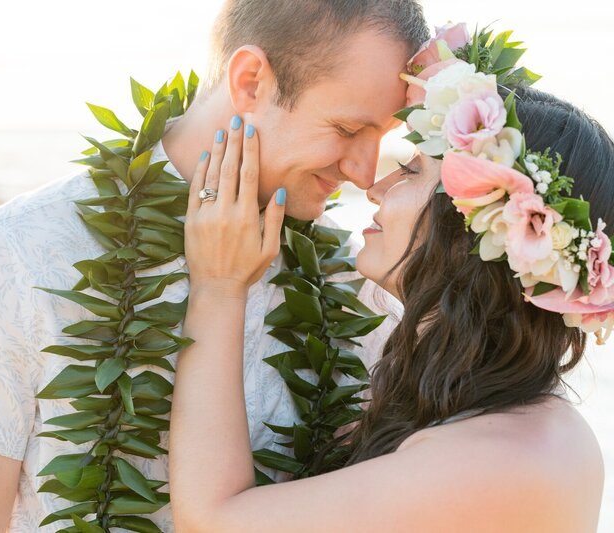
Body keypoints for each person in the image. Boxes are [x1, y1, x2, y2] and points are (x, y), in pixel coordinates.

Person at [0, 1, 430, 531]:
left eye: (382, 139)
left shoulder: (355, 282)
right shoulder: (21, 253)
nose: (364, 173)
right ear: (249, 82)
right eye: (345, 129)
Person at [170, 27, 612, 532]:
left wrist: (219, 288)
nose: (373, 186)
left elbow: (211, 523)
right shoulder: (465, 407)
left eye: (409, 170)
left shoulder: (511, 458)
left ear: (480, 227)